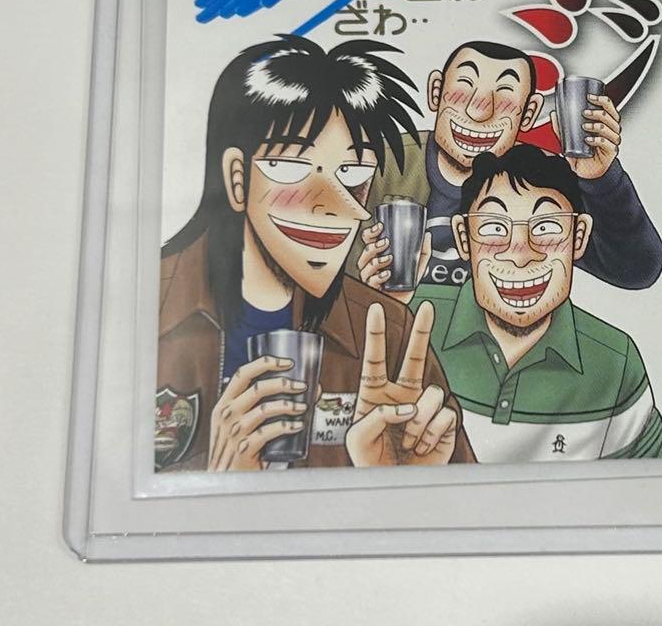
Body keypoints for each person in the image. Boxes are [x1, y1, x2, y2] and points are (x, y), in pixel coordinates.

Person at [157, 35, 475, 471]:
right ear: (237, 178)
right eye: (291, 166)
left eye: (352, 173)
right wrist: (218, 482)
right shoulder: (141, 304)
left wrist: (397, 483)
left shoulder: (388, 331)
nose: (331, 204)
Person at [364, 144, 662, 462]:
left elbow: (654, 488)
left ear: (578, 236)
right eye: (494, 229)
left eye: (546, 228)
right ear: (463, 238)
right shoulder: (405, 318)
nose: (520, 255)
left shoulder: (615, 363)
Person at [352, 39, 662, 290]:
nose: (479, 111)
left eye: (504, 95)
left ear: (528, 113)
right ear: (437, 92)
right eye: (464, 87)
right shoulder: (380, 162)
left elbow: (637, 270)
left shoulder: (540, 176)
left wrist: (601, 179)